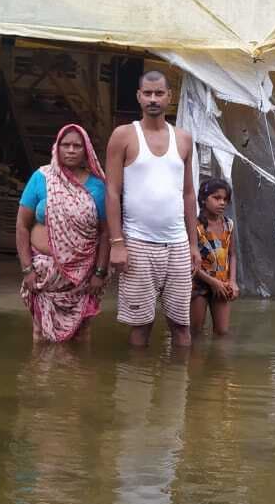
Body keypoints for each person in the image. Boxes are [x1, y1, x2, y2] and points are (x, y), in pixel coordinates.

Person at [105, 70, 201, 347]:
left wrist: (193, 245)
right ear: (138, 96)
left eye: (159, 93)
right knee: (140, 326)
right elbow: (112, 192)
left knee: (182, 327)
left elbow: (188, 193)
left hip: (177, 244)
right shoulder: (123, 135)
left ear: (170, 97)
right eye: (147, 93)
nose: (153, 99)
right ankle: (137, 386)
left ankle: (178, 388)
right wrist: (117, 243)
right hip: (137, 242)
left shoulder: (183, 139)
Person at [16, 124, 110, 342]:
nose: (70, 150)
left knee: (82, 333)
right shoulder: (41, 178)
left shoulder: (98, 186)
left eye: (77, 146)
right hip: (43, 273)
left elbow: (105, 233)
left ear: (86, 151)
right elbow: (22, 225)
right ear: (56, 148)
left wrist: (99, 273)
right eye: (65, 145)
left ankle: (78, 376)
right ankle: (42, 375)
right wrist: (27, 269)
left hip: (83, 276)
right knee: (39, 333)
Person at [191, 177, 239, 336]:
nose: (222, 203)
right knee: (195, 332)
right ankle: (193, 360)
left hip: (222, 284)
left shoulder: (228, 224)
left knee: (222, 332)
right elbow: (190, 263)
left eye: (225, 199)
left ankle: (219, 361)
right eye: (216, 198)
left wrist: (232, 281)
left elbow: (232, 255)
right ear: (204, 199)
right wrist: (212, 282)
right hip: (198, 285)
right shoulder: (195, 227)